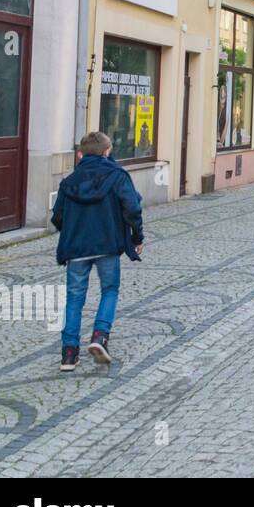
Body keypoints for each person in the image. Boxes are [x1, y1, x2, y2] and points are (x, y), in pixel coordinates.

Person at [52, 131, 144, 371]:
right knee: (110, 290)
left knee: (74, 299)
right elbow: (132, 208)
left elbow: (57, 217)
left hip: (76, 248)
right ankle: (100, 336)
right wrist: (137, 237)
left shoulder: (69, 181)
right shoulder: (117, 176)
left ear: (81, 154)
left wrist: (73, 228)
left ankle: (69, 354)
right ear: (107, 152)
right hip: (107, 245)